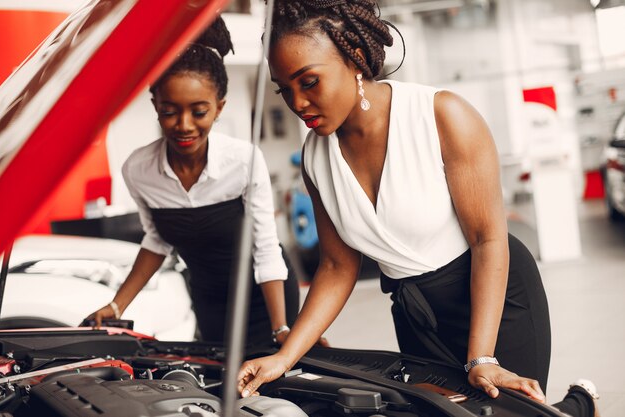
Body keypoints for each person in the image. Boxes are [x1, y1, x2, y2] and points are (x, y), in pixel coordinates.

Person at [237, 2, 599, 417]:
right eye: (285, 89)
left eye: (310, 81)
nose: (298, 103)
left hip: (493, 299)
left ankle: (577, 406)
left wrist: (482, 357)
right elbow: (338, 267)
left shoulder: (441, 115)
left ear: (354, 58)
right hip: (415, 314)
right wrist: (285, 357)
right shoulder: (316, 156)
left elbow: (488, 239)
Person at [86, 17, 299, 349]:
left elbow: (267, 250)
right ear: (155, 105)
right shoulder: (138, 170)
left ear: (218, 109)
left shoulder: (243, 161)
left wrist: (282, 329)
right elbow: (157, 240)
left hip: (266, 299)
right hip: (208, 300)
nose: (184, 126)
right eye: (170, 111)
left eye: (198, 112)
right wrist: (116, 305)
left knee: (267, 390)